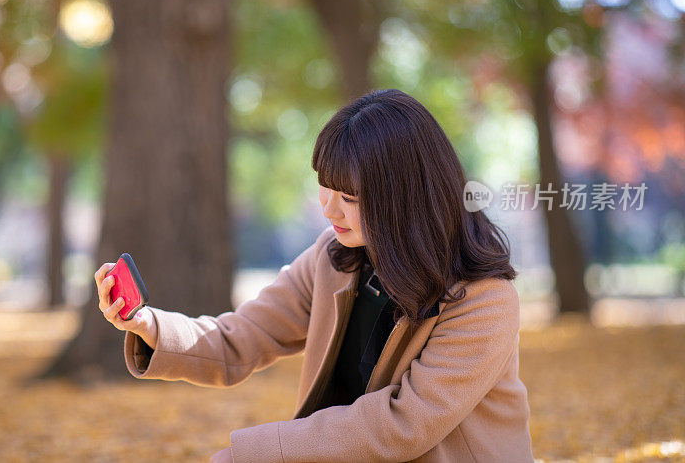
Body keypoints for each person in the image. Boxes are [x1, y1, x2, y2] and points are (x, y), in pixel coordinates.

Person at [94, 89, 534, 462]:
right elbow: (240, 337)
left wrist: (254, 453)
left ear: (404, 200)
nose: (328, 207)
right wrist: (147, 324)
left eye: (348, 195)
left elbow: (400, 426)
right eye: (325, 184)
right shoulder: (335, 257)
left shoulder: (483, 301)